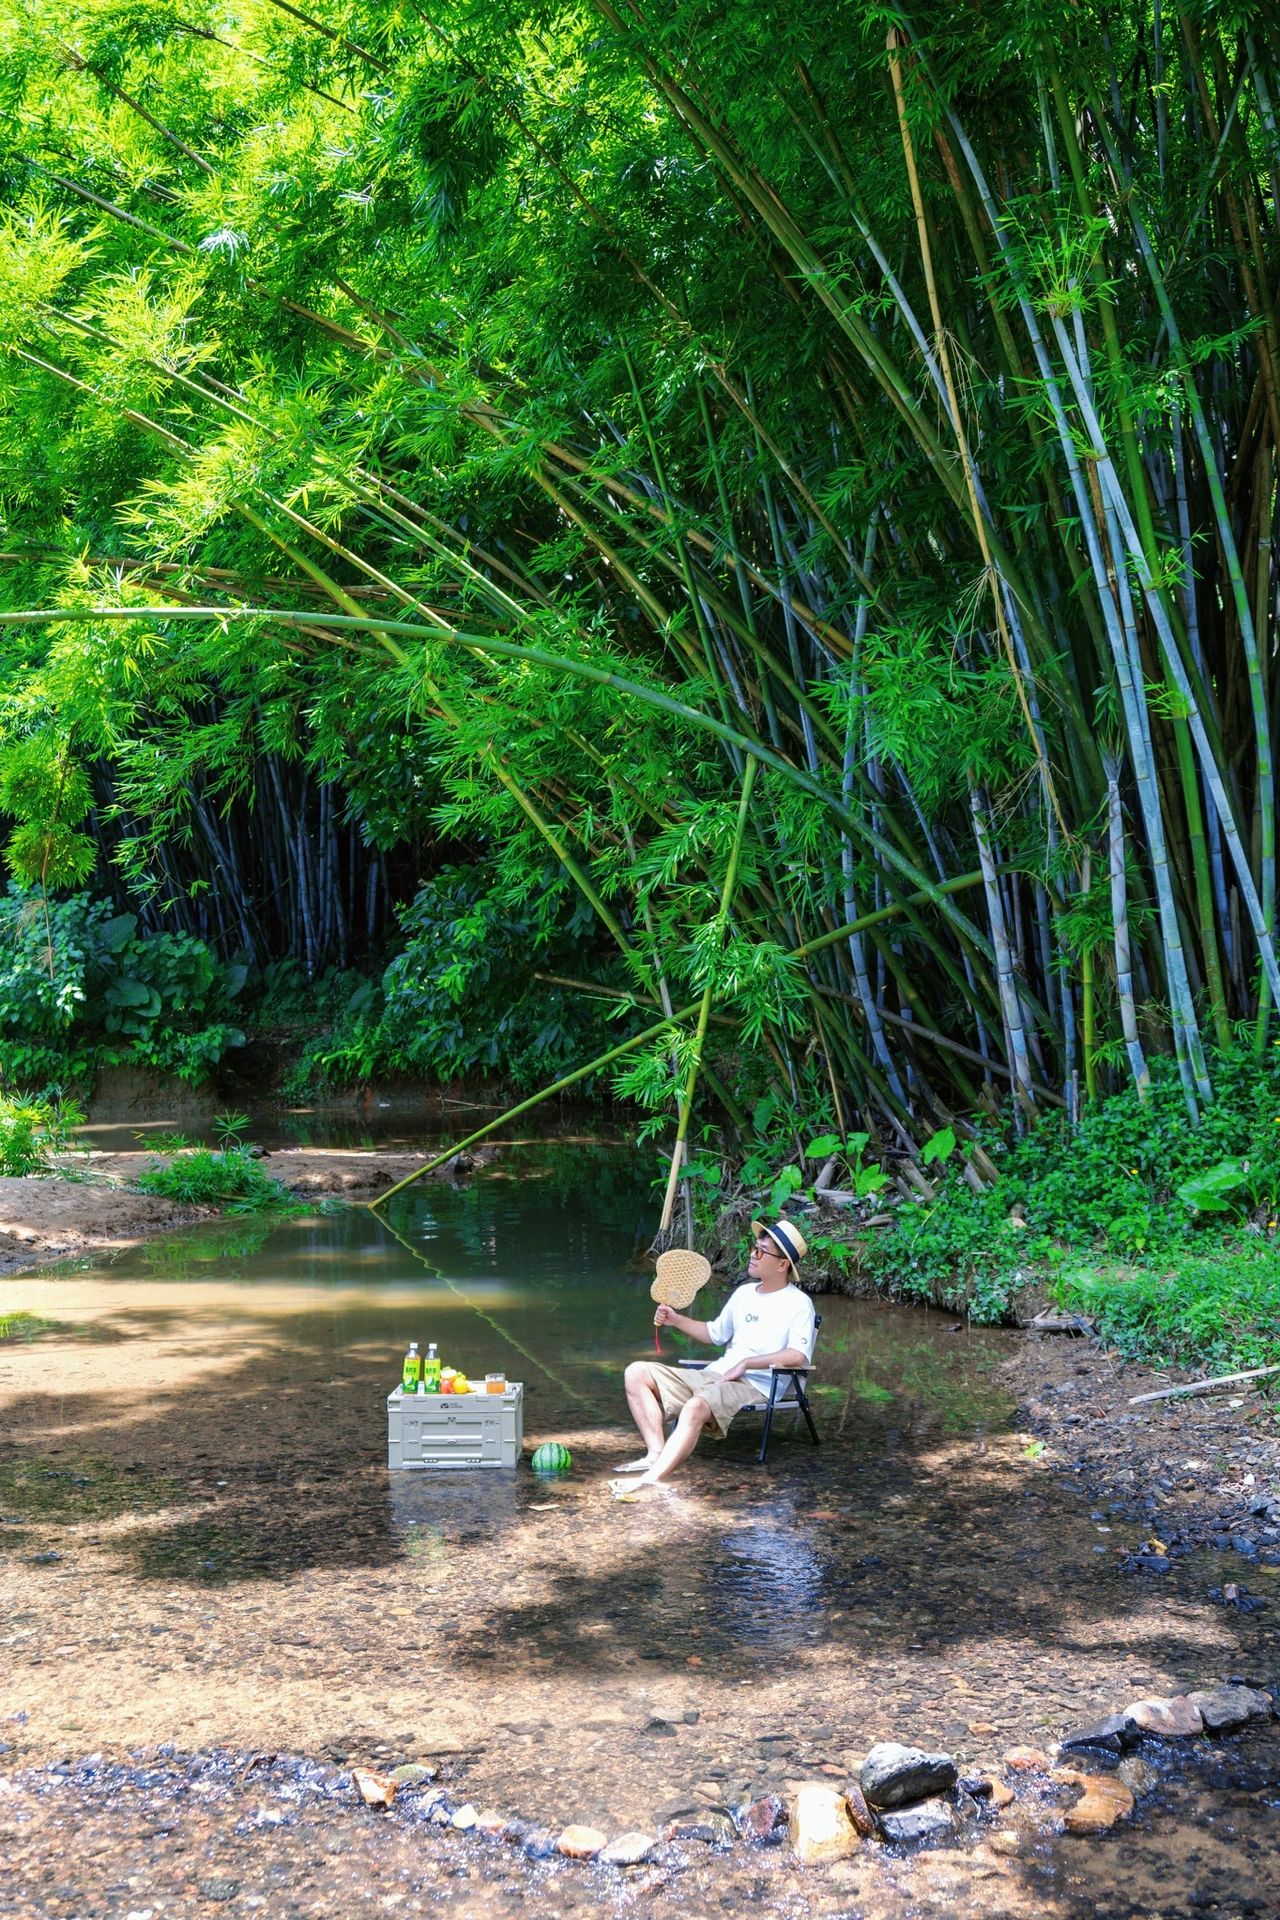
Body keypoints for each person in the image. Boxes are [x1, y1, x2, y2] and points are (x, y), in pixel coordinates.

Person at [610, 1219, 814, 1494]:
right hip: (717, 1373)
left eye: (762, 1251)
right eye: (755, 1248)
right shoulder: (744, 1294)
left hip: (755, 1384)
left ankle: (650, 1480)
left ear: (782, 1265)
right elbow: (715, 1334)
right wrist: (675, 1319)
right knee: (636, 1372)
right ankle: (656, 1453)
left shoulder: (799, 1304)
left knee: (695, 1406)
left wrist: (746, 1364)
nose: (753, 1255)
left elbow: (797, 1355)